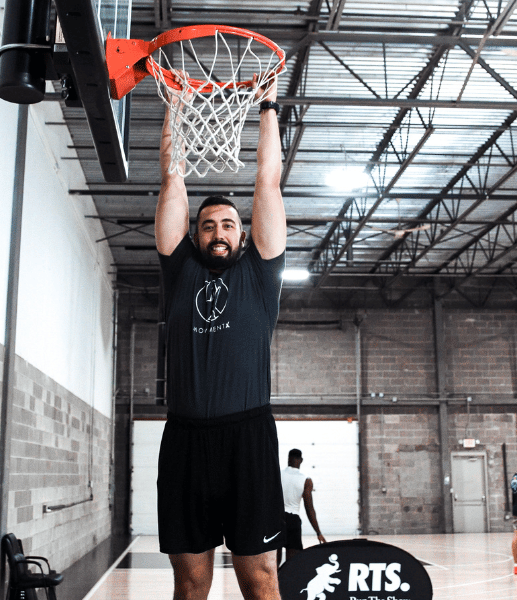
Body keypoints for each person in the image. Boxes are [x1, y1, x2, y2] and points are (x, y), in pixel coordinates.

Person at [154, 69, 287, 600]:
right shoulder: (179, 270)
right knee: (191, 583)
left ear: (243, 233)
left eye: (228, 224)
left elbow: (268, 180)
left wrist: (269, 105)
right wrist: (175, 105)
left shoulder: (261, 272)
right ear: (195, 234)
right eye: (208, 225)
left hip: (248, 440)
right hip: (185, 440)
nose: (218, 231)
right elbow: (172, 180)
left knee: (260, 579)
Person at [277, 449, 326, 566]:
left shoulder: (277, 474)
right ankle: (288, 583)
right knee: (292, 563)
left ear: (288, 459)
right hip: (292, 521)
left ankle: (273, 583)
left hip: (276, 519)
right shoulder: (306, 480)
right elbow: (309, 508)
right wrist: (318, 532)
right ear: (301, 460)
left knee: (274, 564)